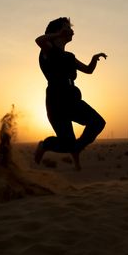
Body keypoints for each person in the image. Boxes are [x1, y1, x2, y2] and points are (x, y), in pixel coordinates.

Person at [34, 17, 106, 170]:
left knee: (98, 123)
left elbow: (88, 70)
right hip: (56, 100)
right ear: (58, 31)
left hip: (71, 97)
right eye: (66, 27)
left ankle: (76, 147)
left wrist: (94, 59)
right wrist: (59, 34)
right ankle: (46, 145)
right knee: (66, 143)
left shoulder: (69, 57)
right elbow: (38, 40)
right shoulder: (48, 49)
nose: (71, 31)